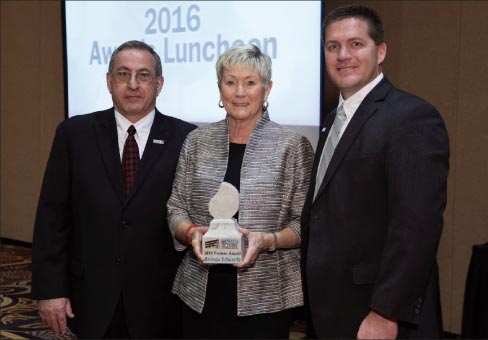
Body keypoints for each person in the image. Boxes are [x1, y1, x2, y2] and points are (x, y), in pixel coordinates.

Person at [301, 5, 449, 339]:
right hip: (330, 311)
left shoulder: (411, 117)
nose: (343, 55)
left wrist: (385, 312)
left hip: (376, 314)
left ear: (380, 51)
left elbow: (417, 226)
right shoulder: (329, 123)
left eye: (356, 44)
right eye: (332, 46)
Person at [31, 40, 196, 339]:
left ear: (159, 84)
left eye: (143, 75)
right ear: (109, 81)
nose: (133, 84)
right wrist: (50, 290)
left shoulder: (187, 138)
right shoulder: (74, 134)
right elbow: (52, 218)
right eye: (123, 74)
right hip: (92, 295)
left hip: (162, 301)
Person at [167, 44, 314, 339]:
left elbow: (304, 225)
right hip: (198, 294)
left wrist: (267, 240)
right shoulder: (196, 140)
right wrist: (192, 232)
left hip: (266, 298)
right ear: (220, 87)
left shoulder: (292, 146)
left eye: (250, 83)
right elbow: (175, 208)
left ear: (267, 89)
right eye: (230, 82)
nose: (239, 92)